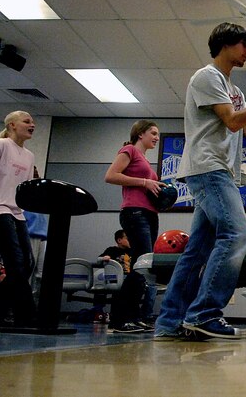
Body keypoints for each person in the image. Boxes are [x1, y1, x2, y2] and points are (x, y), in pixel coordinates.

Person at [155, 22, 246, 341]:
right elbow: (233, 122)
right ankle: (204, 314)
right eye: (243, 44)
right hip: (208, 168)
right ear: (225, 44)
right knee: (237, 234)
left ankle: (169, 322)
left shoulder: (235, 91)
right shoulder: (207, 76)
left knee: (196, 252)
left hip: (220, 171)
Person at [104, 120, 162, 332]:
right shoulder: (129, 150)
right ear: (140, 134)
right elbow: (110, 176)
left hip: (148, 213)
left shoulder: (145, 159)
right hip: (134, 212)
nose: (156, 137)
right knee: (141, 265)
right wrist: (145, 182)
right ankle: (119, 319)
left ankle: (132, 316)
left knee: (144, 266)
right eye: (153, 133)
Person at [0, 111, 37, 327]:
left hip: (16, 211)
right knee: (15, 261)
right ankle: (27, 316)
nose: (32, 125)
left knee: (27, 263)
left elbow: (22, 189)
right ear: (12, 125)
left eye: (33, 122)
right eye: (27, 121)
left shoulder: (29, 156)